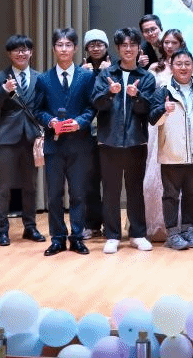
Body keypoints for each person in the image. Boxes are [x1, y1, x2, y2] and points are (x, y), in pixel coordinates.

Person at [91, 28, 156, 254]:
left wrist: (136, 96)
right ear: (118, 48)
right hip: (109, 141)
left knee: (136, 190)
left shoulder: (146, 77)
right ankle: (112, 235)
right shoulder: (106, 74)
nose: (129, 49)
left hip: (136, 141)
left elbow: (148, 110)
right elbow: (97, 104)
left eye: (133, 45)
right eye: (124, 45)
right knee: (110, 190)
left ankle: (138, 234)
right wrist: (110, 93)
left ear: (139, 49)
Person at [34, 28, 96, 256]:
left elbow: (92, 107)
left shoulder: (86, 77)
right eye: (59, 45)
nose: (64, 49)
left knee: (78, 194)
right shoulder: (43, 79)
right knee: (54, 196)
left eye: (68, 45)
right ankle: (57, 238)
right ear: (53, 49)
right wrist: (50, 121)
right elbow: (37, 110)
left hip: (80, 145)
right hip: (54, 146)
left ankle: (77, 237)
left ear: (76, 48)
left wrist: (79, 122)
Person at [0, 34, 45, 246]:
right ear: (9, 54)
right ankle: (2, 231)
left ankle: (30, 227)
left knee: (31, 186)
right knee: (3, 187)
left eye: (25, 49)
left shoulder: (39, 77)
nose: (21, 53)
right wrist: (4, 91)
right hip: (8, 139)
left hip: (31, 138)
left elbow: (42, 107)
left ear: (31, 52)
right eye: (16, 50)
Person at [149, 49, 193, 250]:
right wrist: (164, 110)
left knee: (192, 193)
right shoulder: (163, 90)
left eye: (187, 64)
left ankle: (188, 229)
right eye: (179, 64)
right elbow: (153, 119)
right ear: (171, 67)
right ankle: (172, 234)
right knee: (171, 195)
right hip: (172, 153)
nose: (183, 68)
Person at [81, 28, 110, 237]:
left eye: (100, 44)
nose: (96, 48)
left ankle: (111, 224)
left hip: (109, 131)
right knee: (90, 181)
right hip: (88, 133)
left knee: (110, 181)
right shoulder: (81, 71)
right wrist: (88, 75)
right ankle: (92, 224)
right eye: (92, 45)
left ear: (106, 47)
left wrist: (102, 74)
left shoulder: (114, 68)